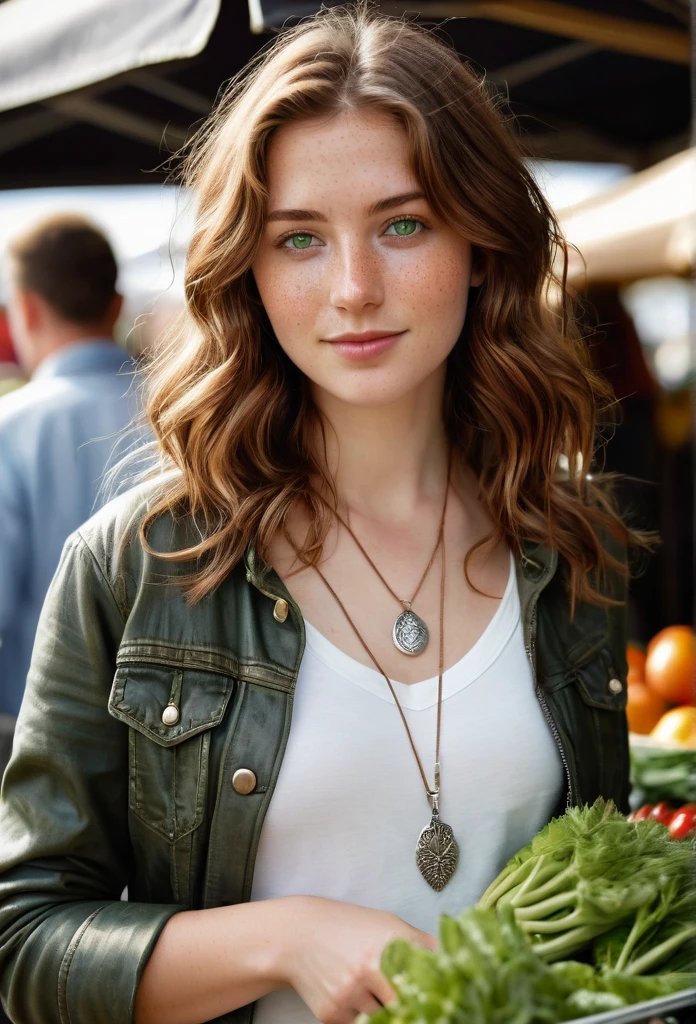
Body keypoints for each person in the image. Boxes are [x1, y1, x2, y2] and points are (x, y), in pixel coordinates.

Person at [0, 6, 654, 1024]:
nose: (354, 288)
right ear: (248, 274)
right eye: (299, 238)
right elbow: (25, 942)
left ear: (481, 245)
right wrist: (286, 938)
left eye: (403, 224)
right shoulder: (135, 564)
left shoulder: (569, 543)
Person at [0, 214, 139, 725]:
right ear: (118, 305)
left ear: (28, 309)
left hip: (39, 735)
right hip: (182, 741)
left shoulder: (8, 428)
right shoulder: (187, 417)